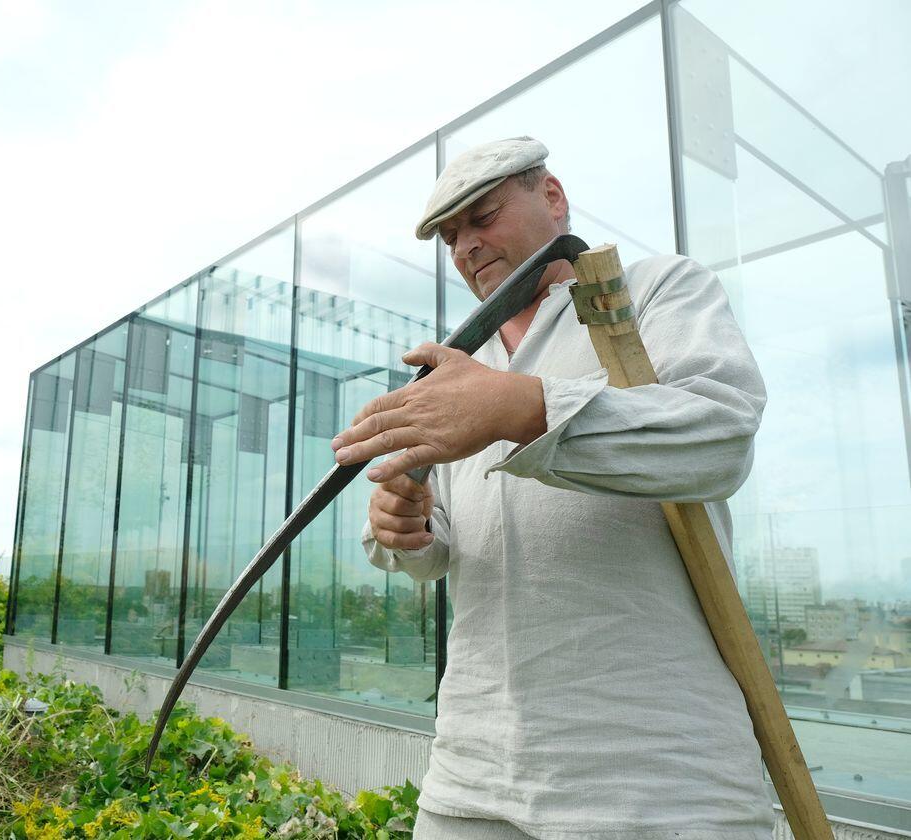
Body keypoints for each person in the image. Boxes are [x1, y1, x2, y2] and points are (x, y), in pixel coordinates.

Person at [332, 136, 775, 840]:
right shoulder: (456, 369)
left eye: (482, 217)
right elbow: (435, 550)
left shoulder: (652, 291)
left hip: (657, 779)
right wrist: (405, 527)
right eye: (450, 237)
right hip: (471, 776)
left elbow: (720, 435)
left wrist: (518, 407)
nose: (465, 246)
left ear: (553, 197)